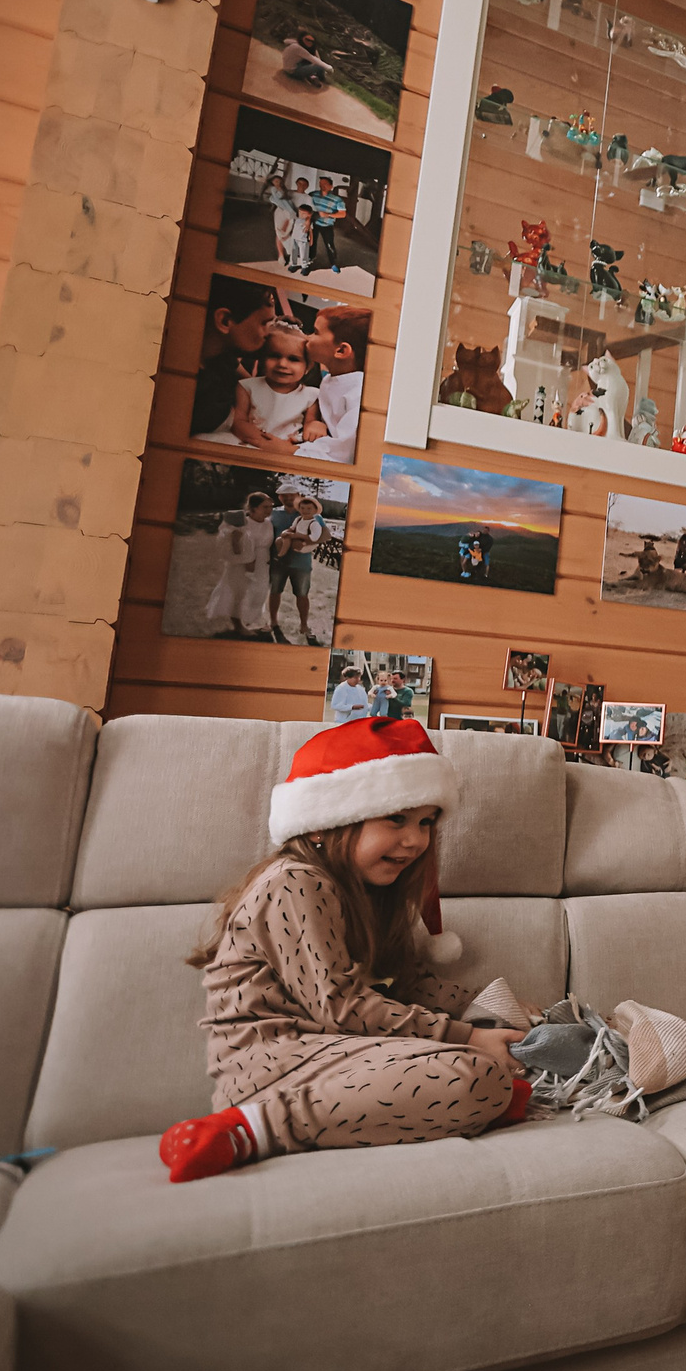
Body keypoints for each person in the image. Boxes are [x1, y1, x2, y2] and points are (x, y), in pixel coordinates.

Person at [154, 719, 529, 1183]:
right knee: (474, 1077)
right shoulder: (295, 883)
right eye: (397, 818)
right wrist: (466, 1036)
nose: (416, 839)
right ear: (326, 822)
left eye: (426, 822)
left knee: (488, 1076)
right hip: (273, 1065)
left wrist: (492, 1012)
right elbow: (339, 1006)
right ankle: (248, 1128)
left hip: (342, 1053)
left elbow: (407, 983)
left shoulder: (373, 893)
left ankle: (476, 1098)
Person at [191, 276, 284, 440]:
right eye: (264, 323)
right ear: (225, 321)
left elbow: (253, 390)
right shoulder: (206, 402)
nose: (267, 333)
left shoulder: (222, 357)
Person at [200, 344, 323, 455]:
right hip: (250, 440)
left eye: (293, 359)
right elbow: (239, 421)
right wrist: (263, 443)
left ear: (308, 367)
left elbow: (310, 422)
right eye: (274, 356)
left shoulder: (311, 395)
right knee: (203, 441)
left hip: (286, 446)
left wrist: (315, 425)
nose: (282, 364)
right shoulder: (247, 386)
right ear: (263, 359)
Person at [298, 302, 371, 463]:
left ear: (341, 351)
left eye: (315, 332)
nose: (307, 337)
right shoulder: (330, 379)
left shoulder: (359, 392)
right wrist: (314, 422)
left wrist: (286, 450)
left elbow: (343, 451)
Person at [205, 493, 277, 638]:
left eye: (271, 507)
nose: (269, 510)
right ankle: (239, 625)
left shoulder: (268, 523)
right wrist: (248, 560)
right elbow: (234, 545)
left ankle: (251, 620)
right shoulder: (241, 522)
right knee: (239, 594)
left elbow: (269, 544)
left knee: (258, 593)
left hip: (263, 563)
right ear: (253, 508)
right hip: (242, 563)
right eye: (265, 507)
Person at [266, 493, 330, 643]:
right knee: (275, 592)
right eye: (284, 495)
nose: (288, 498)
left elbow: (326, 536)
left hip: (301, 563)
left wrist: (304, 543)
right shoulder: (275, 513)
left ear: (297, 496)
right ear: (280, 497)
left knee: (302, 594)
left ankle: (304, 625)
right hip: (278, 562)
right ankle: (273, 622)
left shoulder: (314, 516)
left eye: (291, 495)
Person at [307, 176, 346, 274]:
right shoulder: (312, 194)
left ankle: (333, 263)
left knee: (329, 244)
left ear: (331, 186)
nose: (322, 186)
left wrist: (328, 215)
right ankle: (310, 259)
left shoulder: (337, 199)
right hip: (313, 224)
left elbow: (342, 214)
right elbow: (305, 206)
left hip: (327, 225)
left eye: (325, 184)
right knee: (311, 242)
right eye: (320, 184)